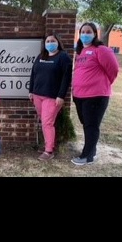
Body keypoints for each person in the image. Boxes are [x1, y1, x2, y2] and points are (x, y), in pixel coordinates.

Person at [71, 22, 119, 166]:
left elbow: (113, 70)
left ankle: (87, 156)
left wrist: (101, 85)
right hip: (79, 95)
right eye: (83, 32)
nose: (85, 34)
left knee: (91, 126)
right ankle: (91, 151)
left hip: (96, 96)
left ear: (94, 34)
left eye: (88, 32)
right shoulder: (80, 52)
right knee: (86, 124)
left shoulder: (101, 50)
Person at [29, 32, 73, 160]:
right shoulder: (41, 56)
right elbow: (33, 74)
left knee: (47, 123)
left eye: (52, 41)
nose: (50, 43)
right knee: (45, 122)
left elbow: (66, 78)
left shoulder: (63, 57)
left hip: (52, 96)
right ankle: (48, 145)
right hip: (37, 95)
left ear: (58, 42)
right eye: (47, 41)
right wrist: (31, 90)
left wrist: (61, 96)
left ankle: (49, 151)